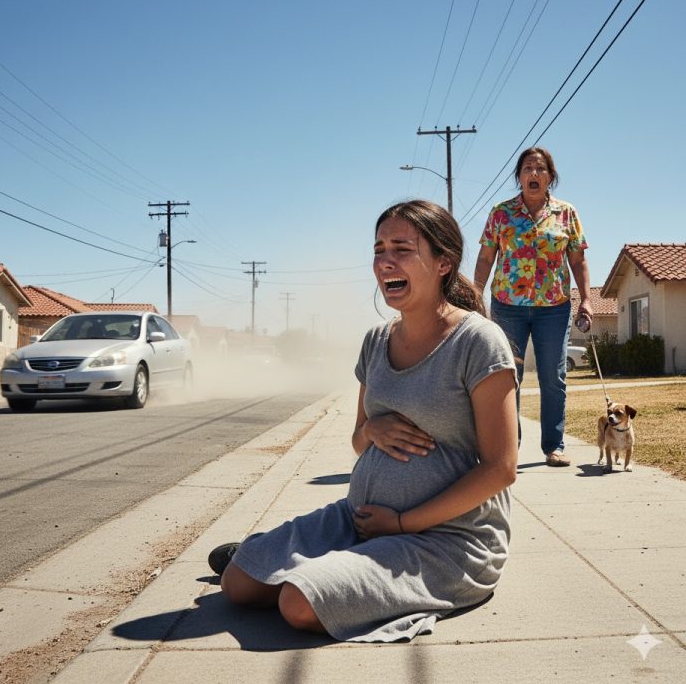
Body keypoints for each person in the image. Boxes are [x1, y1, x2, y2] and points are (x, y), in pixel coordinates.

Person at [216, 200, 518, 643]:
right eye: (379, 250)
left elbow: (501, 468)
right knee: (237, 583)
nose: (385, 261)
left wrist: (402, 524)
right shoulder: (376, 341)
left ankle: (321, 576)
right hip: (361, 520)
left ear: (443, 264)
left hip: (447, 540)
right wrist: (372, 430)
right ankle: (319, 567)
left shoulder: (478, 340)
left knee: (297, 603)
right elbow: (360, 441)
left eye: (401, 248)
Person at [474, 146, 592, 467]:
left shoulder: (566, 213)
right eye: (528, 168)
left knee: (553, 377)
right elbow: (486, 257)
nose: (534, 174)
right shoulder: (501, 213)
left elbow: (578, 260)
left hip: (553, 307)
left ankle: (554, 446)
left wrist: (587, 300)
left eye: (541, 168)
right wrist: (474, 296)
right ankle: (507, 448)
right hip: (507, 306)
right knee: (507, 377)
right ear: (519, 176)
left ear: (551, 176)